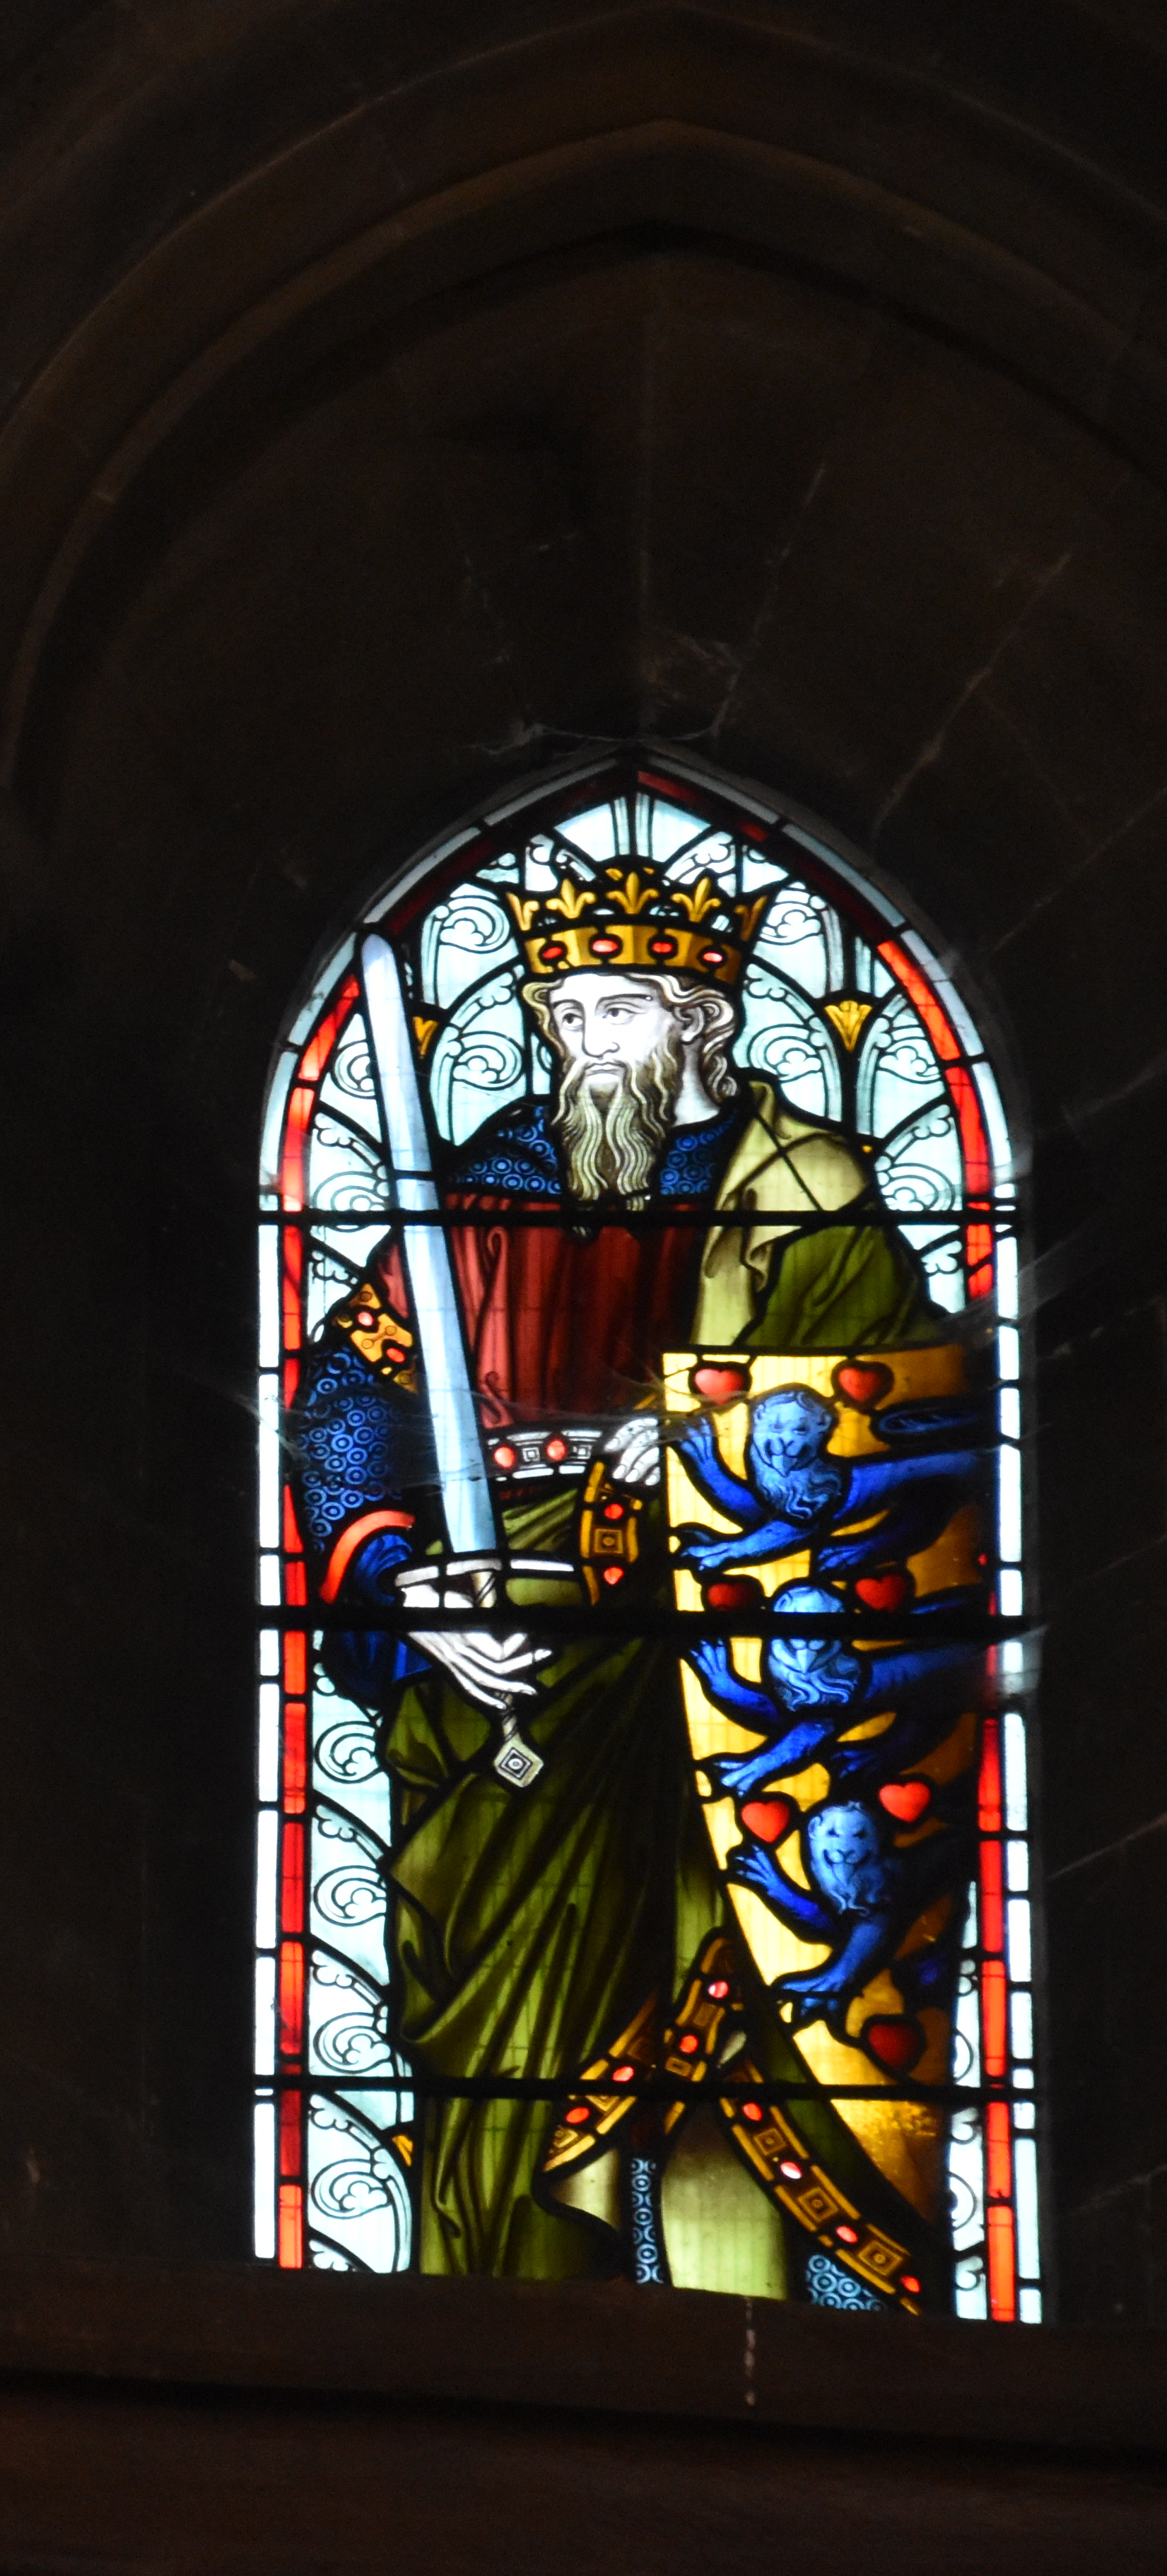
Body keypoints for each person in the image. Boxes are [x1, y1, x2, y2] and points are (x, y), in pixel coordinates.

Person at [287, 838, 956, 2300]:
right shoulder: (475, 1196)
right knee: (507, 2068)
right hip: (512, 1676)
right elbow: (348, 1404)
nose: (579, 1042)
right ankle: (512, 2333)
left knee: (750, 2019)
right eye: (563, 1014)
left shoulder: (805, 1185)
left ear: (703, 1019)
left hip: (739, 1682)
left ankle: (759, 2326)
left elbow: (899, 1412)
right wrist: (400, 1581)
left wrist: (720, 1423)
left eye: (615, 1010)